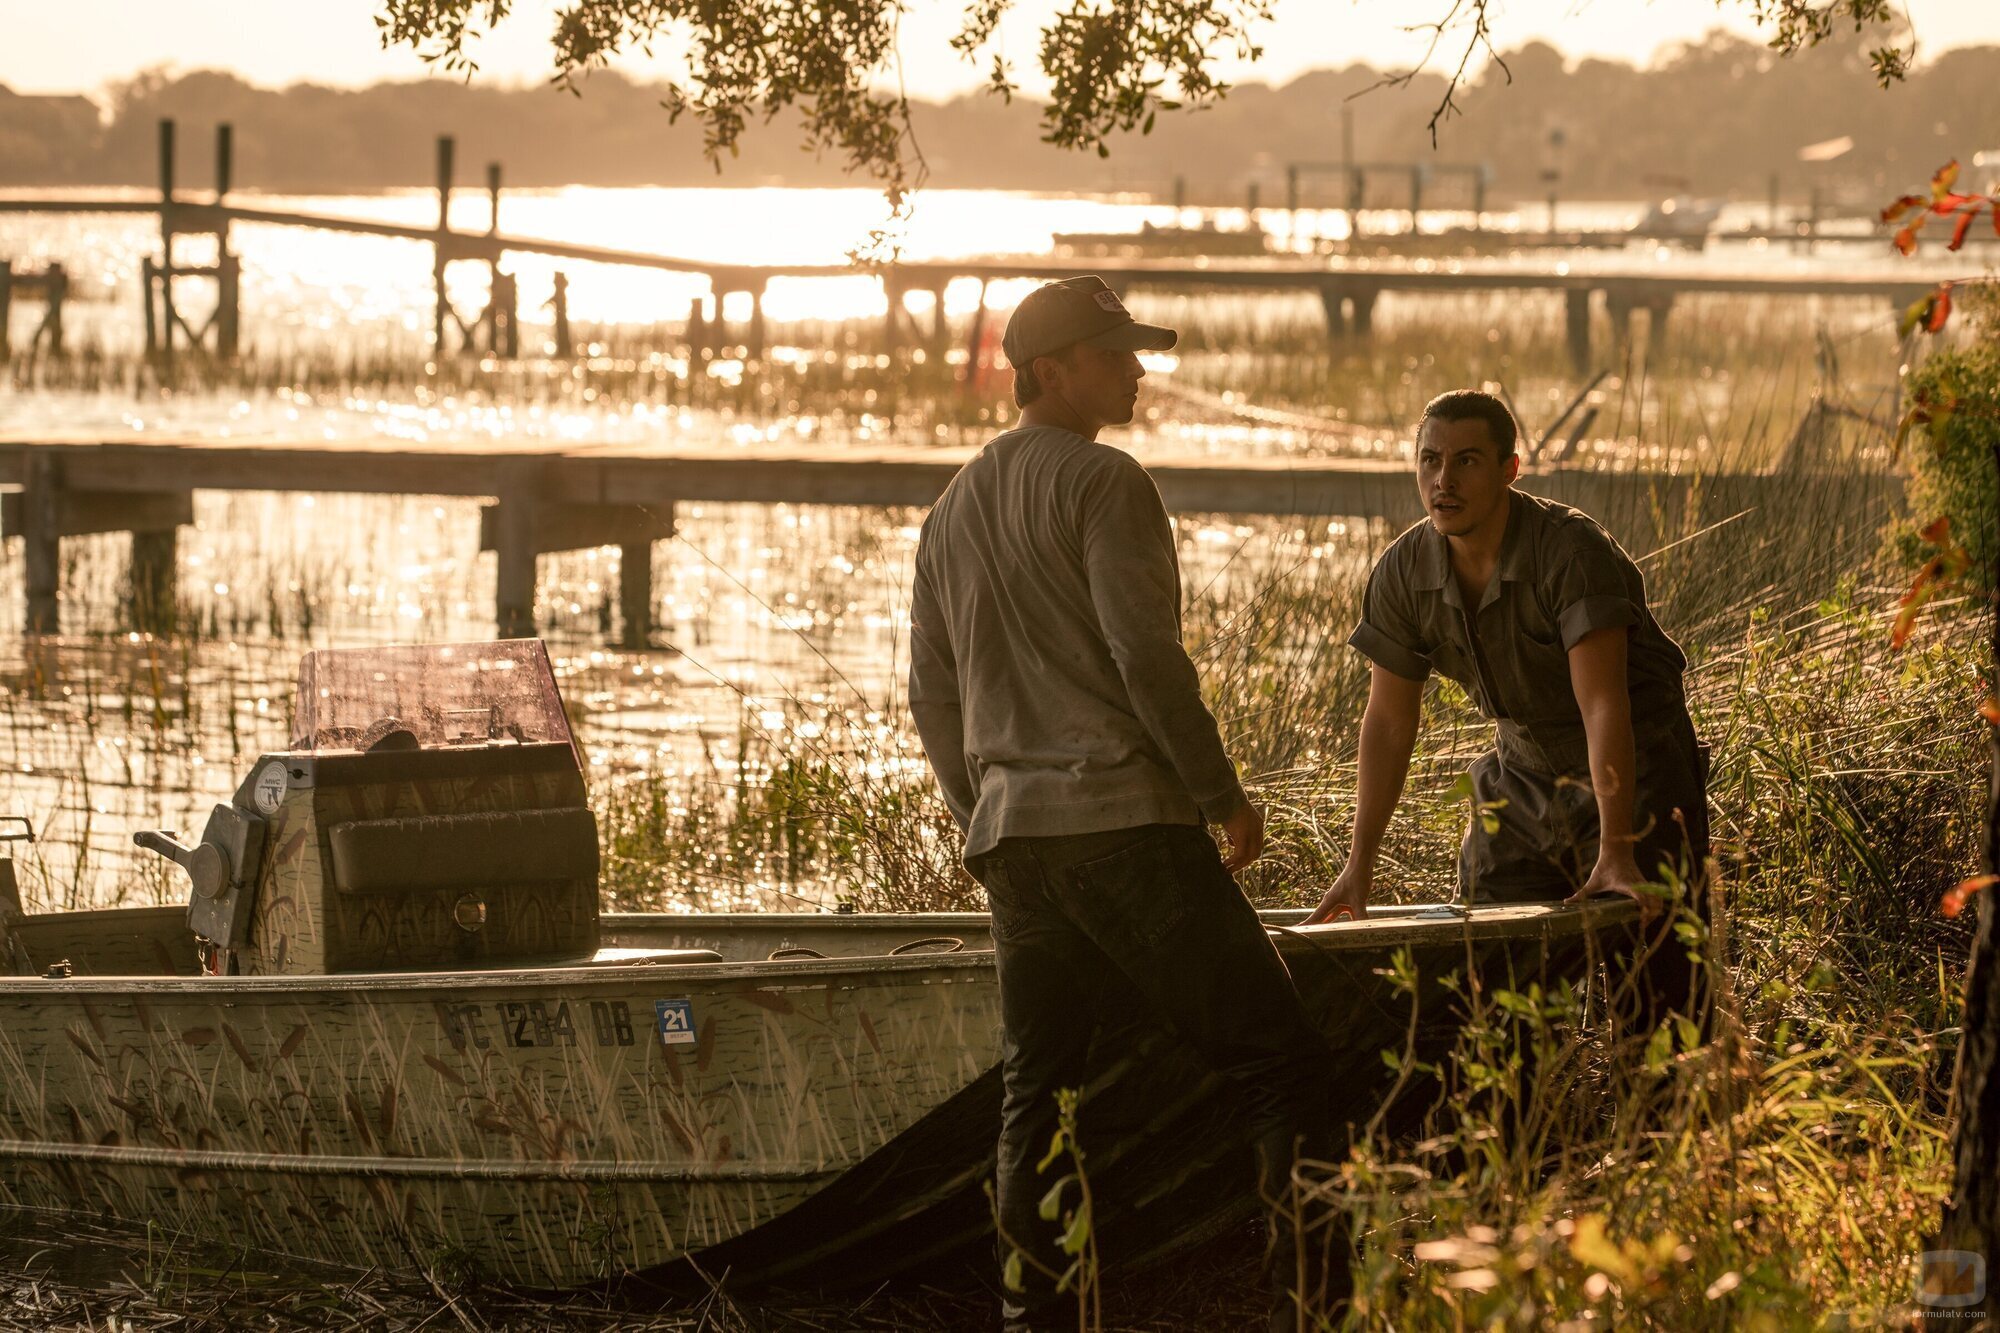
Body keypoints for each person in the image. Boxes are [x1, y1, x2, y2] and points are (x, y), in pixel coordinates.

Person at [908, 276, 1334, 1332]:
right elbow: (1144, 657)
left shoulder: (947, 510)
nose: (1137, 370)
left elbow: (930, 695)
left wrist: (988, 804)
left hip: (1011, 842)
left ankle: (1035, 1320)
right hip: (1121, 822)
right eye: (1114, 354)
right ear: (1052, 372)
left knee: (1038, 1091)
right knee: (1279, 1064)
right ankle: (1314, 1310)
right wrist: (1219, 794)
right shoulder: (1104, 482)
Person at [1304, 390, 1709, 945]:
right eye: (1431, 460)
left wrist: (1618, 849)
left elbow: (1602, 704)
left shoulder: (1569, 551)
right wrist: (1359, 866)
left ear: (1509, 470)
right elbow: (1389, 724)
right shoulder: (1402, 571)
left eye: (1466, 461)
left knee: (1657, 979)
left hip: (1635, 768)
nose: (1444, 480)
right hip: (1519, 775)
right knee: (1491, 966)